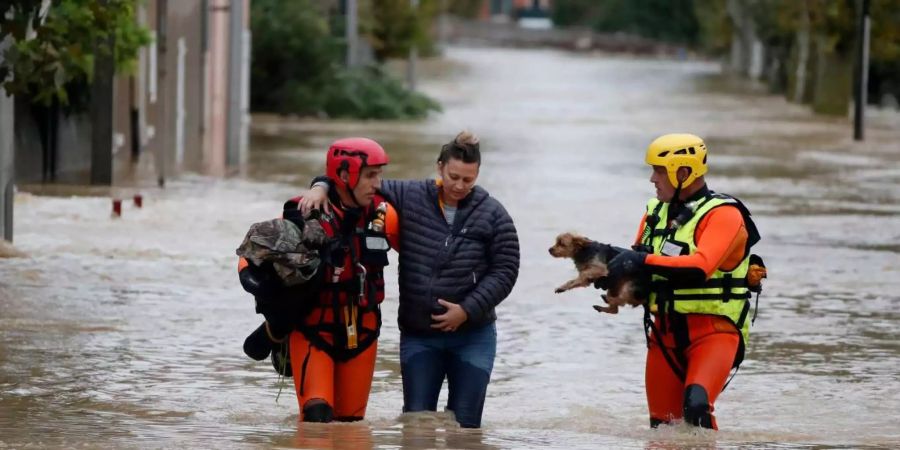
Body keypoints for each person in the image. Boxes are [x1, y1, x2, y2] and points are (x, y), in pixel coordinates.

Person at [300, 131, 520, 428]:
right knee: (417, 426)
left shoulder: (494, 214)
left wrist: (466, 310)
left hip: (473, 336)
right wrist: (321, 185)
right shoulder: (409, 195)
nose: (459, 186)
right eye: (453, 176)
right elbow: (357, 184)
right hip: (420, 336)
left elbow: (506, 270)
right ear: (440, 167)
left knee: (465, 430)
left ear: (478, 175)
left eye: (468, 180)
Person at [598, 133, 764, 430]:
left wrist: (640, 261)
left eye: (659, 171)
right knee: (663, 428)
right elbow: (640, 263)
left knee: (696, 408)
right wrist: (613, 276)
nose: (652, 178)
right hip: (664, 335)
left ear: (683, 173)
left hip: (714, 333)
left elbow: (700, 267)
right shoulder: (654, 212)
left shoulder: (725, 214)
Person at [238, 137, 397, 422]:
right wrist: (261, 289)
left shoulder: (386, 216)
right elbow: (252, 254)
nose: (378, 183)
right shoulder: (304, 212)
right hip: (313, 330)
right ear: (345, 175)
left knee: (350, 425)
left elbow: (423, 257)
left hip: (362, 332)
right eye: (371, 175)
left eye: (380, 174)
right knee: (316, 418)